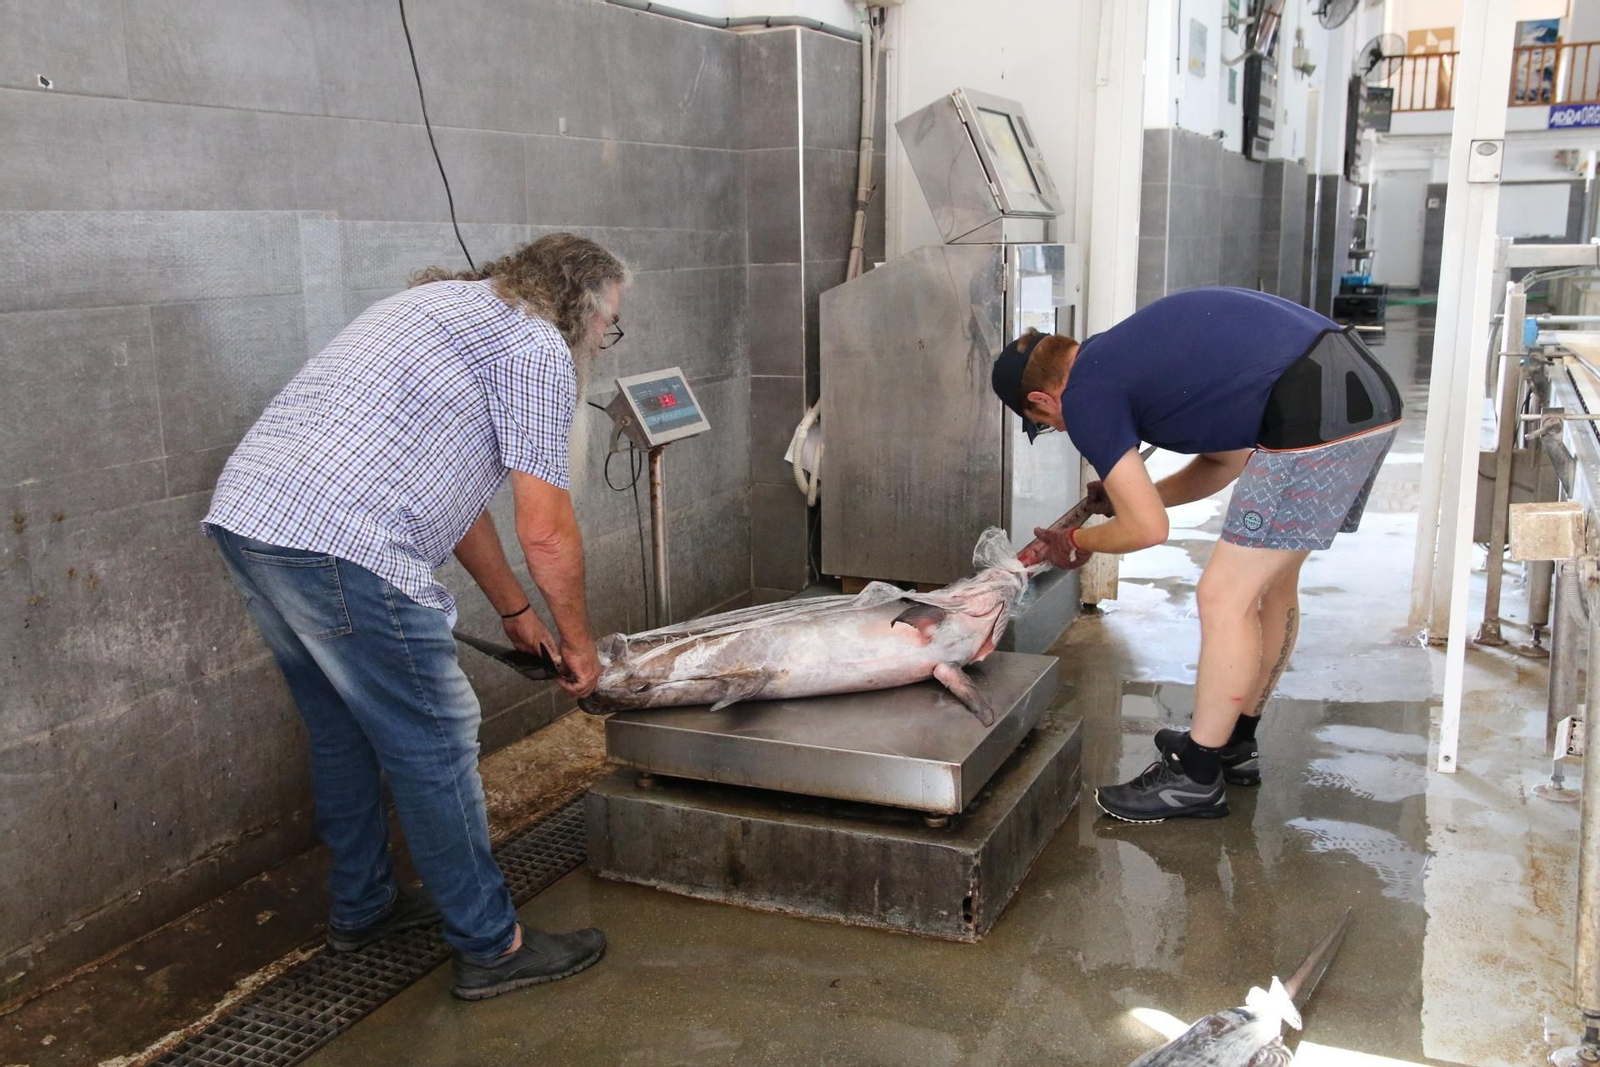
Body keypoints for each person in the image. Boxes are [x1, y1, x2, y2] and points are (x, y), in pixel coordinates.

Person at [203, 233, 627, 999]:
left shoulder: (438, 306)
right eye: (611, 325)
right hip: (342, 543)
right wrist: (580, 645)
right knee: (436, 738)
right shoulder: (535, 347)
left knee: (341, 728)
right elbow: (546, 527)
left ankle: (362, 907)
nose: (606, 340)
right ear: (581, 308)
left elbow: (457, 500)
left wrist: (514, 610)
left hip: (253, 520)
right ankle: (493, 946)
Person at [990, 287, 1402, 823]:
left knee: (1222, 597)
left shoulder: (1087, 393)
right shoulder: (1124, 357)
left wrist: (1075, 542)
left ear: (1043, 400)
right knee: (1269, 585)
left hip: (1315, 414)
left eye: (1047, 425)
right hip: (1361, 396)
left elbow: (1147, 531)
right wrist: (1133, 494)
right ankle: (1233, 740)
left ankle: (1195, 775)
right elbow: (1223, 463)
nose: (1060, 429)